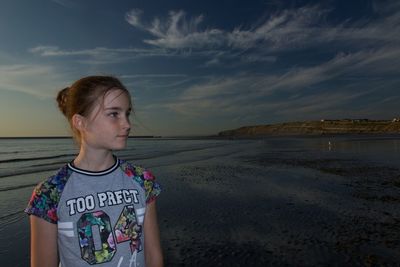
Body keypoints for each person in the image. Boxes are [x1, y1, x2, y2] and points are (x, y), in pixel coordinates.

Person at [25, 76, 163, 267]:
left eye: (127, 114)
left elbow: (153, 254)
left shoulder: (142, 180)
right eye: (114, 114)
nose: (127, 124)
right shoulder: (49, 193)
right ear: (80, 122)